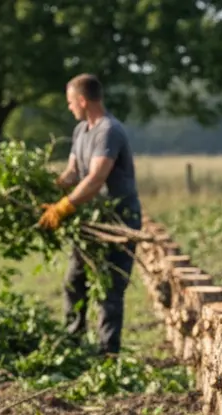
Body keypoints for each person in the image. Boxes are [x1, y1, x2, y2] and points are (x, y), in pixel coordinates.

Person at [38, 73, 142, 356]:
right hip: (90, 221)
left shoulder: (109, 131)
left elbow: (96, 179)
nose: (69, 107)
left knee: (109, 289)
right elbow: (73, 173)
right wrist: (47, 191)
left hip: (118, 221)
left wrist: (63, 207)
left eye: (71, 101)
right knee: (75, 281)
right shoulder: (80, 131)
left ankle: (107, 353)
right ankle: (73, 341)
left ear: (83, 100)